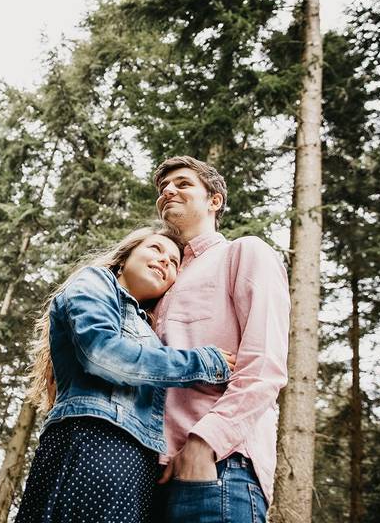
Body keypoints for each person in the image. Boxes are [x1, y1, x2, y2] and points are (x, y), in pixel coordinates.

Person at [15, 224, 236, 523]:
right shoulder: (96, 281)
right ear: (124, 257)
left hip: (139, 465)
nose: (164, 261)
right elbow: (102, 354)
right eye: (155, 249)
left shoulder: (150, 328)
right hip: (93, 442)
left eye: (173, 262)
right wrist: (201, 363)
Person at [151, 156, 290, 523]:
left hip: (221, 469)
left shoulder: (244, 252)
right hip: (150, 479)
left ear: (215, 201)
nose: (168, 191)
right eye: (162, 188)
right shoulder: (160, 280)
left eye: (182, 183)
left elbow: (264, 366)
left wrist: (204, 444)